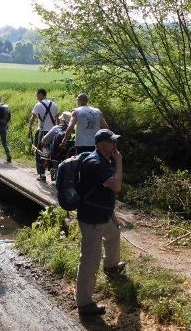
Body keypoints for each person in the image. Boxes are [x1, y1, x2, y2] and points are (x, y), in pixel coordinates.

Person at [76, 129, 125, 316]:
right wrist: (119, 162)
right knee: (90, 259)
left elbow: (103, 192)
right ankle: (84, 303)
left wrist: (112, 214)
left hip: (103, 215)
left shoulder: (104, 160)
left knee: (114, 234)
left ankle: (111, 266)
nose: (115, 145)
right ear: (101, 144)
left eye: (115, 141)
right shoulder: (96, 163)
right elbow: (116, 186)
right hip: (92, 218)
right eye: (112, 142)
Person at [29, 88, 59, 182]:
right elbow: (57, 119)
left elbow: (33, 118)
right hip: (53, 132)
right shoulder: (54, 104)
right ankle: (54, 173)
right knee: (53, 152)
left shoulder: (38, 105)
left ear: (41, 94)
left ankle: (42, 175)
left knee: (39, 152)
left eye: (37, 95)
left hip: (42, 132)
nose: (36, 97)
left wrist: (29, 127)